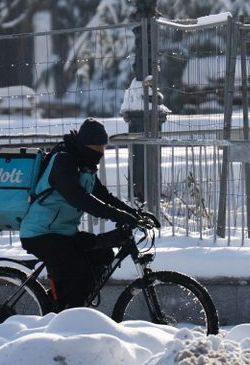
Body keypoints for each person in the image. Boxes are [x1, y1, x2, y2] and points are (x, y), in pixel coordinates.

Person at [19, 118, 154, 310]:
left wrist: (134, 213)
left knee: (102, 255)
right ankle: (69, 316)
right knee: (80, 271)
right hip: (40, 233)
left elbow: (104, 196)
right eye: (96, 147)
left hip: (63, 232)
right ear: (84, 144)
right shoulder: (63, 161)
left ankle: (65, 302)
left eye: (102, 147)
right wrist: (117, 215)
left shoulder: (85, 165)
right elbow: (79, 198)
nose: (100, 152)